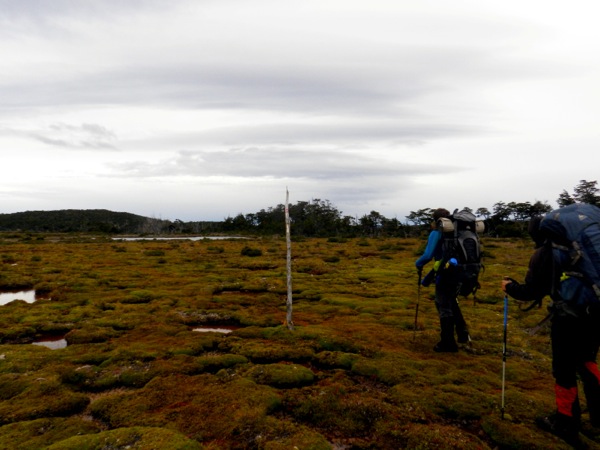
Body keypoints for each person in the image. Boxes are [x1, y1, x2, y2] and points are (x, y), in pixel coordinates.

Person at [502, 216, 600, 444]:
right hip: (595, 313)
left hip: (569, 319)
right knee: (587, 361)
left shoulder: (545, 254)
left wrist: (509, 287)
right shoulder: (583, 247)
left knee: (564, 369)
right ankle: (598, 415)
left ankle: (565, 422)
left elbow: (531, 291)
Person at [415, 208, 470, 352]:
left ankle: (448, 343)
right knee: (451, 301)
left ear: (436, 220)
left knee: (443, 305)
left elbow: (428, 255)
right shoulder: (458, 233)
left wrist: (418, 264)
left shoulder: (437, 233)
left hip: (445, 273)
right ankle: (463, 334)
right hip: (461, 272)